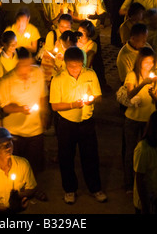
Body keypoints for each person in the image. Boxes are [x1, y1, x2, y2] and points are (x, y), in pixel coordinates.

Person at [50, 46, 107, 205]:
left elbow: (99, 97)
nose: (76, 70)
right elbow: (55, 105)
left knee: (90, 156)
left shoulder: (90, 74)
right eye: (72, 67)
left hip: (87, 122)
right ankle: (69, 189)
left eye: (79, 66)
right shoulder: (58, 79)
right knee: (66, 157)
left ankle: (95, 188)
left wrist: (91, 100)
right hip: (66, 124)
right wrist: (73, 105)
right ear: (66, 64)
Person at [0, 46, 49, 175]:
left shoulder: (38, 72)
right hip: (15, 131)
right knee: (16, 167)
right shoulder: (6, 81)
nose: (27, 69)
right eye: (24, 65)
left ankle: (33, 189)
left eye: (29, 64)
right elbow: (4, 107)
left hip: (35, 130)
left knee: (35, 166)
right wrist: (21, 109)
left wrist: (44, 115)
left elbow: (43, 96)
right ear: (17, 64)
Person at [123, 47, 157, 192]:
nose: (149, 65)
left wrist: (152, 93)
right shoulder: (132, 75)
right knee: (130, 151)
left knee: (149, 150)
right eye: (146, 62)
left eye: (151, 62)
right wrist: (143, 83)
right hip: (132, 118)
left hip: (149, 119)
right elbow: (129, 95)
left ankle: (147, 181)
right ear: (140, 62)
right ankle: (129, 184)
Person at [133, 110, 157, 214]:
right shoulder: (142, 149)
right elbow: (140, 179)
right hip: (147, 199)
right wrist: (145, 206)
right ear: (156, 128)